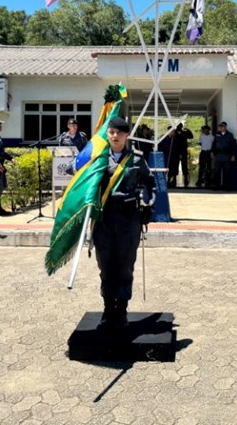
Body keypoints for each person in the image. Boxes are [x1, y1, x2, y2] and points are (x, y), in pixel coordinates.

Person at [92, 116, 156, 329]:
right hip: (104, 220)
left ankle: (122, 310)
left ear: (126, 135)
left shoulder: (136, 159)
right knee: (106, 266)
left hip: (128, 220)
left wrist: (149, 205)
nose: (115, 136)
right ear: (107, 134)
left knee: (125, 266)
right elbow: (81, 181)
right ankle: (108, 308)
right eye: (111, 132)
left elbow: (151, 184)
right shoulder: (98, 159)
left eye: (119, 133)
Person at [212, 122, 237, 191]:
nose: (220, 128)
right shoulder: (217, 134)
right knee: (217, 172)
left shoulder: (230, 135)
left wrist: (233, 155)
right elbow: (214, 144)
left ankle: (227, 187)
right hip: (218, 156)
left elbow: (233, 146)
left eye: (222, 126)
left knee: (227, 173)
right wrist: (213, 153)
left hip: (227, 156)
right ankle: (217, 186)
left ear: (225, 127)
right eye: (220, 126)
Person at [171, 123, 194, 187]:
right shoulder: (174, 132)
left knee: (184, 166)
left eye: (180, 126)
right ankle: (174, 179)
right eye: (178, 126)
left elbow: (191, 136)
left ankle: (186, 179)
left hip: (183, 151)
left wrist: (188, 130)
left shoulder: (184, 133)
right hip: (175, 152)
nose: (179, 127)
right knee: (175, 166)